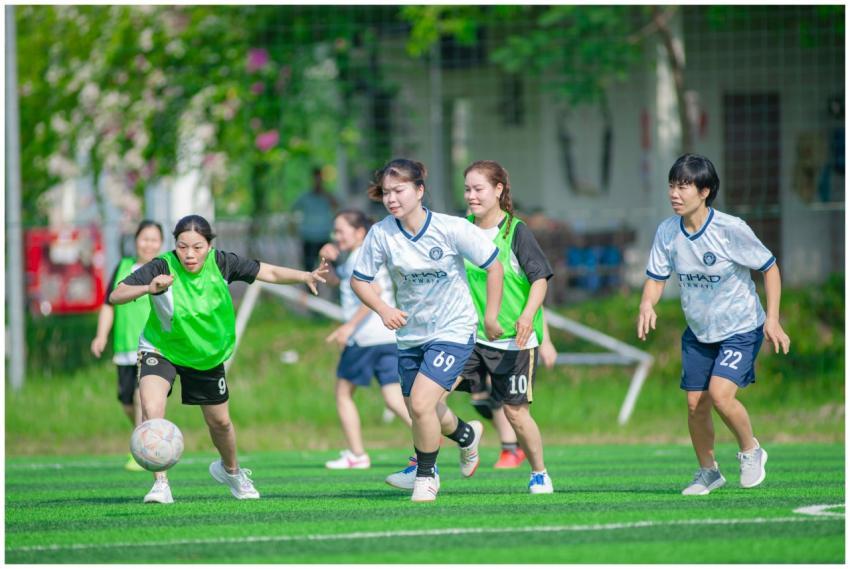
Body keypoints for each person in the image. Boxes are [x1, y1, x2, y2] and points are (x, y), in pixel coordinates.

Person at [110, 214, 328, 504]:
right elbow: (117, 294)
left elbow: (270, 273)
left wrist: (304, 276)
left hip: (205, 353)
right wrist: (149, 288)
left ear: (210, 246)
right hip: (161, 348)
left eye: (197, 247)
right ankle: (160, 484)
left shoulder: (223, 263)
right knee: (151, 408)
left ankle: (232, 472)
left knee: (220, 424)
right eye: (183, 246)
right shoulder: (162, 265)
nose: (189, 254)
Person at [350, 158, 504, 502]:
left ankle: (425, 476)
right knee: (424, 411)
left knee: (420, 404)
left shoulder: (451, 228)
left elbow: (494, 267)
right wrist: (384, 308)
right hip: (410, 336)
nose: (391, 199)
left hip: (453, 329)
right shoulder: (381, 234)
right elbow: (359, 281)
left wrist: (491, 316)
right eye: (386, 193)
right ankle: (466, 436)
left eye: (399, 190)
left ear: (419, 191)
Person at [637, 153, 791, 496]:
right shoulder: (667, 232)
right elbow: (656, 277)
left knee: (720, 395)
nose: (674, 193)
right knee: (695, 404)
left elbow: (769, 268)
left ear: (704, 191)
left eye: (684, 186)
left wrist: (774, 319)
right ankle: (708, 472)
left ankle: (751, 450)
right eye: (672, 186)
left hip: (741, 327)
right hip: (699, 332)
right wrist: (648, 302)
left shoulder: (730, 229)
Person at [455, 160, 555, 494]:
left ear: (498, 190)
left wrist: (527, 317)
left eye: (478, 189)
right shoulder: (462, 229)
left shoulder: (516, 231)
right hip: (470, 338)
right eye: (467, 188)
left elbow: (539, 280)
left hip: (514, 341)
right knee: (429, 394)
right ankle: (430, 460)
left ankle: (539, 472)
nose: (471, 195)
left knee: (515, 414)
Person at [319, 209, 412, 469]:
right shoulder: (356, 257)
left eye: (340, 231)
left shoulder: (363, 255)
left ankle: (357, 454)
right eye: (334, 231)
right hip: (386, 337)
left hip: (364, 338)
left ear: (359, 233)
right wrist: (324, 261)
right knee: (394, 400)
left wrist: (348, 327)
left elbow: (375, 291)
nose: (336, 236)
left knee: (343, 394)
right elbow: (336, 283)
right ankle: (430, 437)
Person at [91, 220, 164, 472]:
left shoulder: (164, 271)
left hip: (154, 348)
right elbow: (108, 305)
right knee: (126, 402)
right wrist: (101, 336)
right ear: (135, 241)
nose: (149, 244)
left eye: (154, 239)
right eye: (145, 238)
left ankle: (140, 453)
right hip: (124, 349)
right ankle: (145, 434)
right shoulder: (122, 268)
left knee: (141, 398)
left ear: (161, 243)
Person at [467, 313, 558, 469]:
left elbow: (538, 301)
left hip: (508, 341)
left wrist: (546, 342)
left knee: (502, 398)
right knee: (480, 401)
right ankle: (461, 435)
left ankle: (511, 449)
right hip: (474, 337)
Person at [293, 167, 337, 271]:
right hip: (309, 236)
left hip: (324, 235)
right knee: (309, 267)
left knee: (331, 267)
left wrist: (325, 193)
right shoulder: (305, 196)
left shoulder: (327, 195)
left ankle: (335, 286)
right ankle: (310, 287)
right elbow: (293, 209)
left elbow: (336, 205)